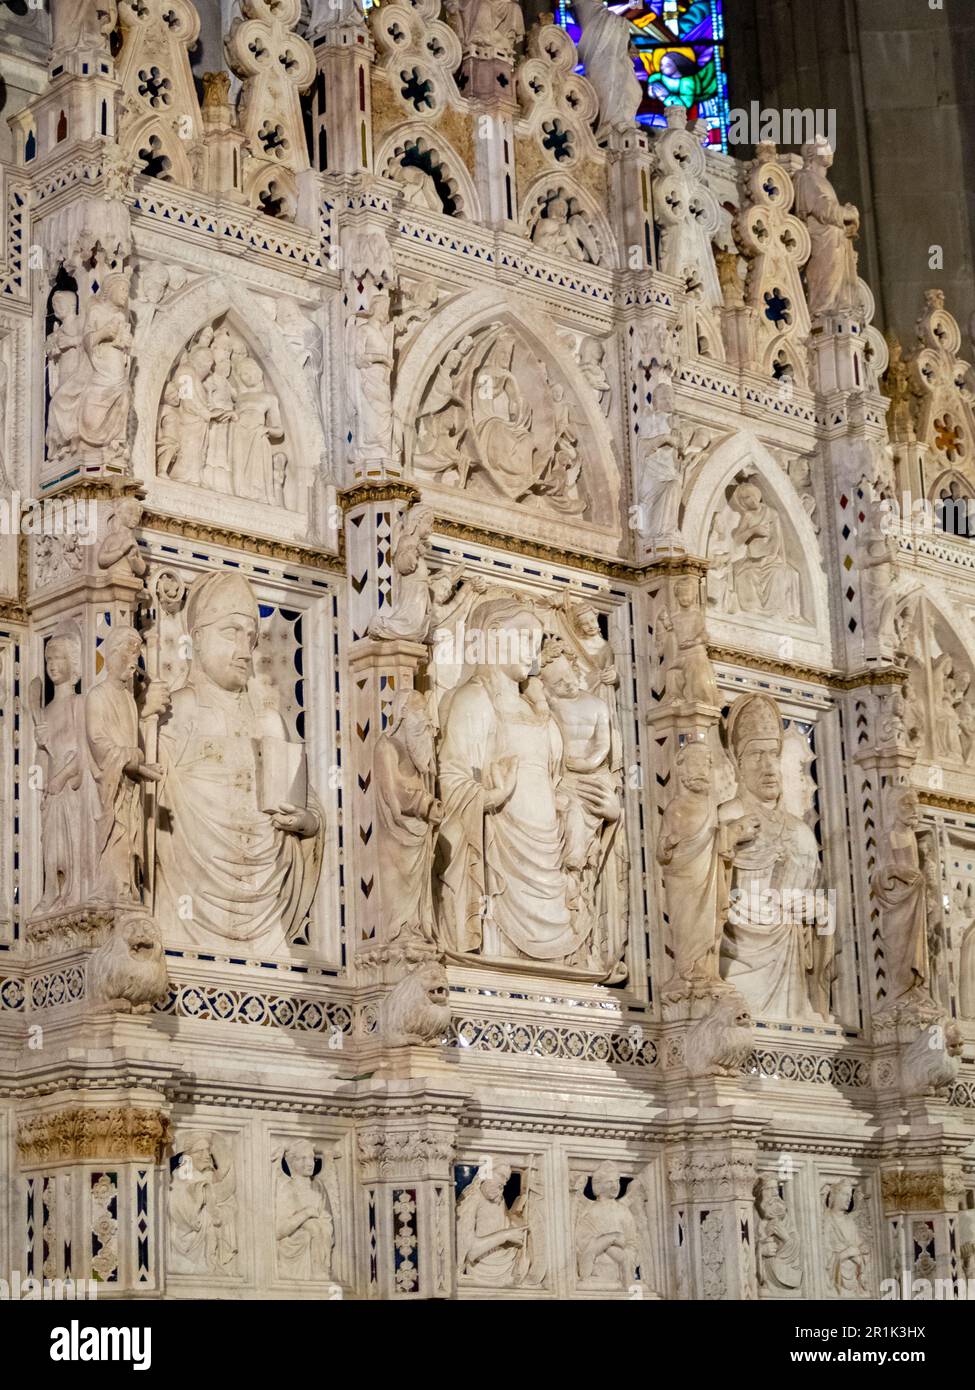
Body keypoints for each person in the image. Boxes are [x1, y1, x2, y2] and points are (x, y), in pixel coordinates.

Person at [155, 571, 324, 953]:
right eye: (230, 634)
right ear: (196, 639)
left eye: (251, 638)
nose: (244, 651)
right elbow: (138, 804)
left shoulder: (268, 722)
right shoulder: (175, 714)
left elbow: (308, 806)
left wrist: (305, 821)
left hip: (265, 911)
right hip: (186, 914)